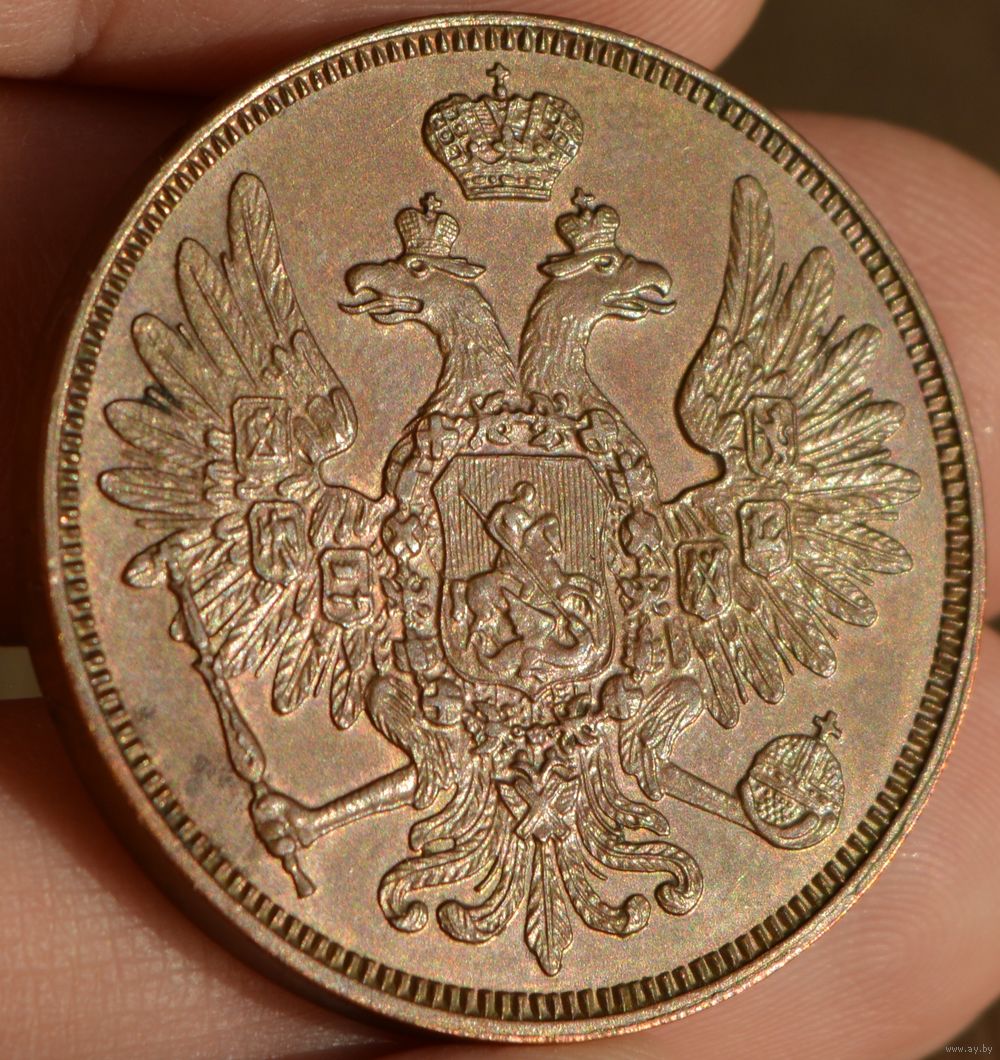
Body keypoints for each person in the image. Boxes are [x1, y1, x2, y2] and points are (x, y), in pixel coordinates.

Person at [0, 1, 998, 1057]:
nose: (387, 286)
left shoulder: (633, 474)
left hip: (595, 791)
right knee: (428, 696)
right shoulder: (407, 467)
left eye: (417, 280)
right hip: (457, 804)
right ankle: (342, 812)